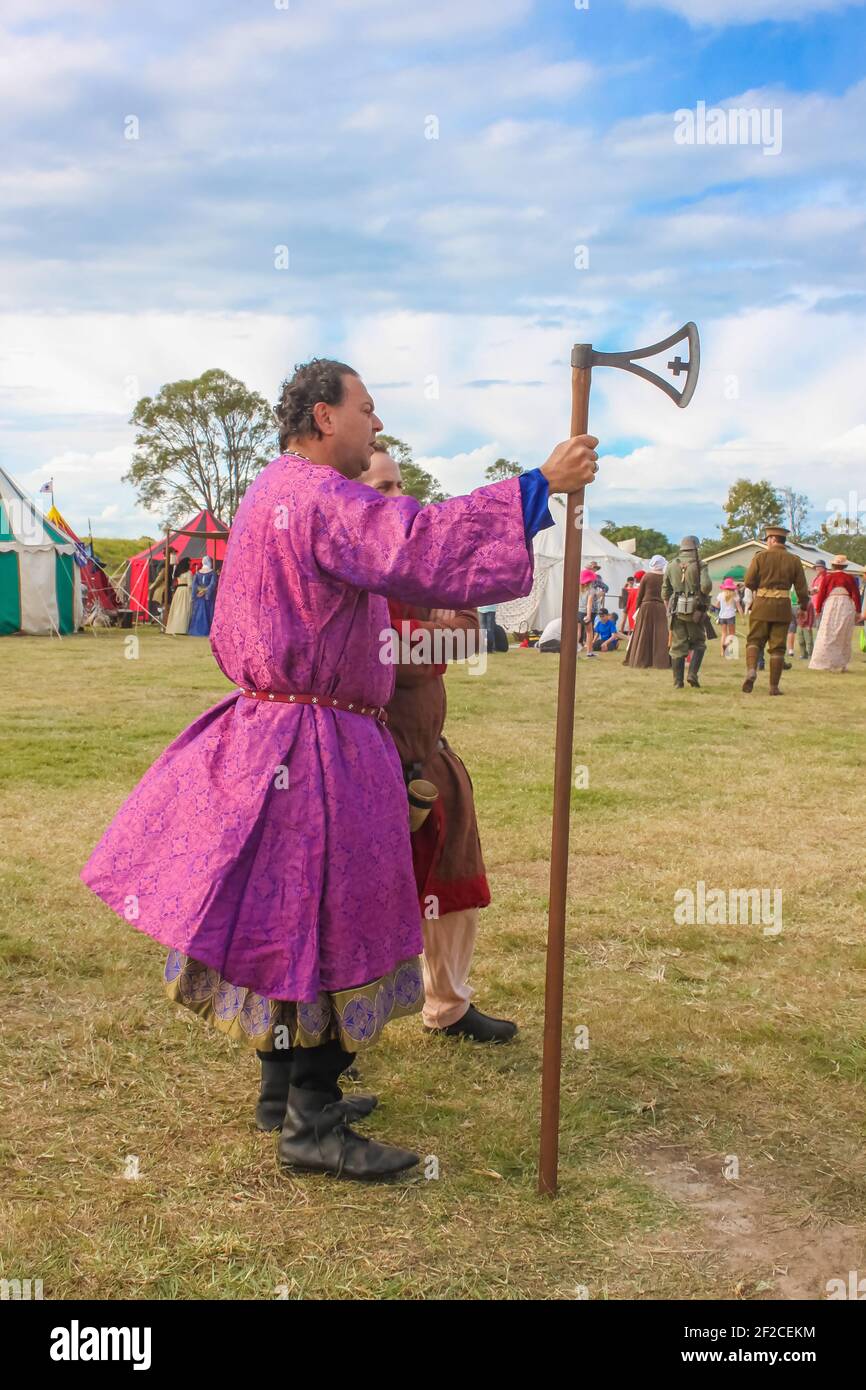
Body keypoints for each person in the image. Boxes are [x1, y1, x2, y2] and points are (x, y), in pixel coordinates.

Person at [80, 357, 599, 1183]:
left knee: (288, 915)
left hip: (282, 730)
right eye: (366, 408)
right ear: (324, 417)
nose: (377, 423)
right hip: (312, 742)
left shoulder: (271, 491)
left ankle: (284, 1092)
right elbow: (418, 541)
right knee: (321, 919)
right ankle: (311, 1123)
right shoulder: (318, 497)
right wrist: (539, 484)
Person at [363, 447, 516, 1043]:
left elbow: (462, 638)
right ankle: (346, 1034)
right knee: (364, 899)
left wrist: (402, 643)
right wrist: (410, 644)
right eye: (380, 485)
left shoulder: (426, 558)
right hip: (366, 759)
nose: (398, 496)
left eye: (401, 483)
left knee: (452, 881)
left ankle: (448, 1006)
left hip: (429, 754)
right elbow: (372, 651)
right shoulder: (351, 563)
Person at [741, 526, 809, 695]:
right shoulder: (794, 560)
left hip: (762, 605)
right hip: (783, 607)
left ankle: (751, 671)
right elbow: (802, 588)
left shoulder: (760, 557)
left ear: (771, 539)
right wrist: (804, 606)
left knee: (754, 641)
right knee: (778, 648)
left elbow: (749, 581)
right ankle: (773, 687)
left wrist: (761, 588)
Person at [662, 537, 712, 689]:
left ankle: (678, 682)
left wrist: (670, 607)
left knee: (677, 647)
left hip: (676, 610)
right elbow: (706, 587)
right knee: (699, 643)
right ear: (696, 548)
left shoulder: (671, 565)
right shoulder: (700, 565)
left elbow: (665, 592)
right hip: (695, 611)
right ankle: (692, 674)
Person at [808, 555, 862, 673]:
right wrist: (858, 611)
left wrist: (818, 609)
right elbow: (856, 595)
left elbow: (821, 594)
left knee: (828, 632)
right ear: (845, 565)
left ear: (833, 565)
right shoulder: (850, 578)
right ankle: (842, 664)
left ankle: (826, 662)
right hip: (845, 605)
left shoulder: (828, 578)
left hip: (831, 604)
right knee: (843, 634)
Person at [623, 554, 669, 669]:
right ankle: (660, 661)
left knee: (643, 633)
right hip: (660, 607)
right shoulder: (666, 577)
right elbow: (667, 595)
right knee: (660, 635)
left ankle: (640, 659)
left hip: (646, 607)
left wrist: (637, 608)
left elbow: (640, 595)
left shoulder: (647, 576)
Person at [188, 556, 218, 637]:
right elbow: (212, 584)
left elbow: (194, 584)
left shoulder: (198, 573)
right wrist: (205, 591)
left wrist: (200, 591)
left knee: (198, 613)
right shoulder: (212, 573)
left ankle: (196, 630)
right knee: (208, 613)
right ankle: (207, 631)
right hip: (208, 597)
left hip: (199, 596)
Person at [716, 577, 743, 658]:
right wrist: (742, 617)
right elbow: (739, 607)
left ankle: (722, 652)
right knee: (732, 634)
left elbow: (717, 605)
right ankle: (726, 645)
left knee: (724, 634)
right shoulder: (734, 595)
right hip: (731, 616)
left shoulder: (720, 595)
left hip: (722, 616)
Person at [165, 557, 192, 635]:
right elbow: (190, 584)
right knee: (185, 609)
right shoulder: (189, 573)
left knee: (177, 609)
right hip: (185, 591)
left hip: (178, 591)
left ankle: (175, 627)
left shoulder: (178, 572)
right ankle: (183, 628)